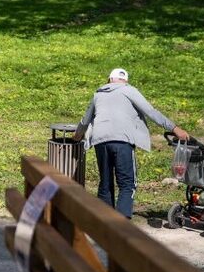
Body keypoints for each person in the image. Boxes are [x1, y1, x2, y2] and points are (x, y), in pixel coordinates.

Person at [73, 67, 190, 218]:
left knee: (105, 182)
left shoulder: (98, 94)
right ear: (125, 81)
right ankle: (122, 226)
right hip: (122, 140)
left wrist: (77, 135)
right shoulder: (129, 90)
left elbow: (85, 119)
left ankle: (104, 221)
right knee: (127, 183)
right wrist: (174, 128)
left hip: (100, 140)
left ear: (109, 80)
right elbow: (151, 112)